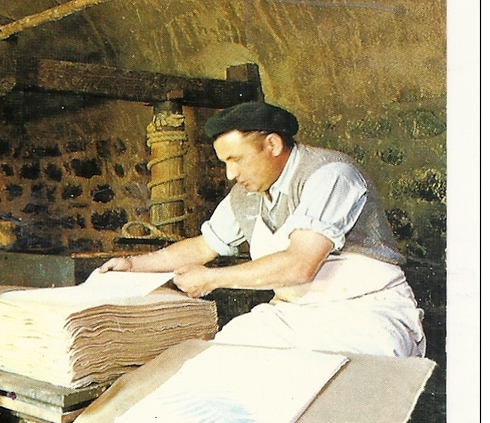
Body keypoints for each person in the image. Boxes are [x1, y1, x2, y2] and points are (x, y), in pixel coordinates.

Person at [100, 100, 426, 357]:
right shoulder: (247, 193)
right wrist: (133, 265)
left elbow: (300, 264)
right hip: (292, 315)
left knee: (329, 392)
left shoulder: (331, 175)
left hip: (364, 312)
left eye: (237, 159)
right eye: (225, 162)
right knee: (220, 362)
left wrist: (213, 278)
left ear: (272, 144)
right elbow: (203, 246)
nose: (230, 173)